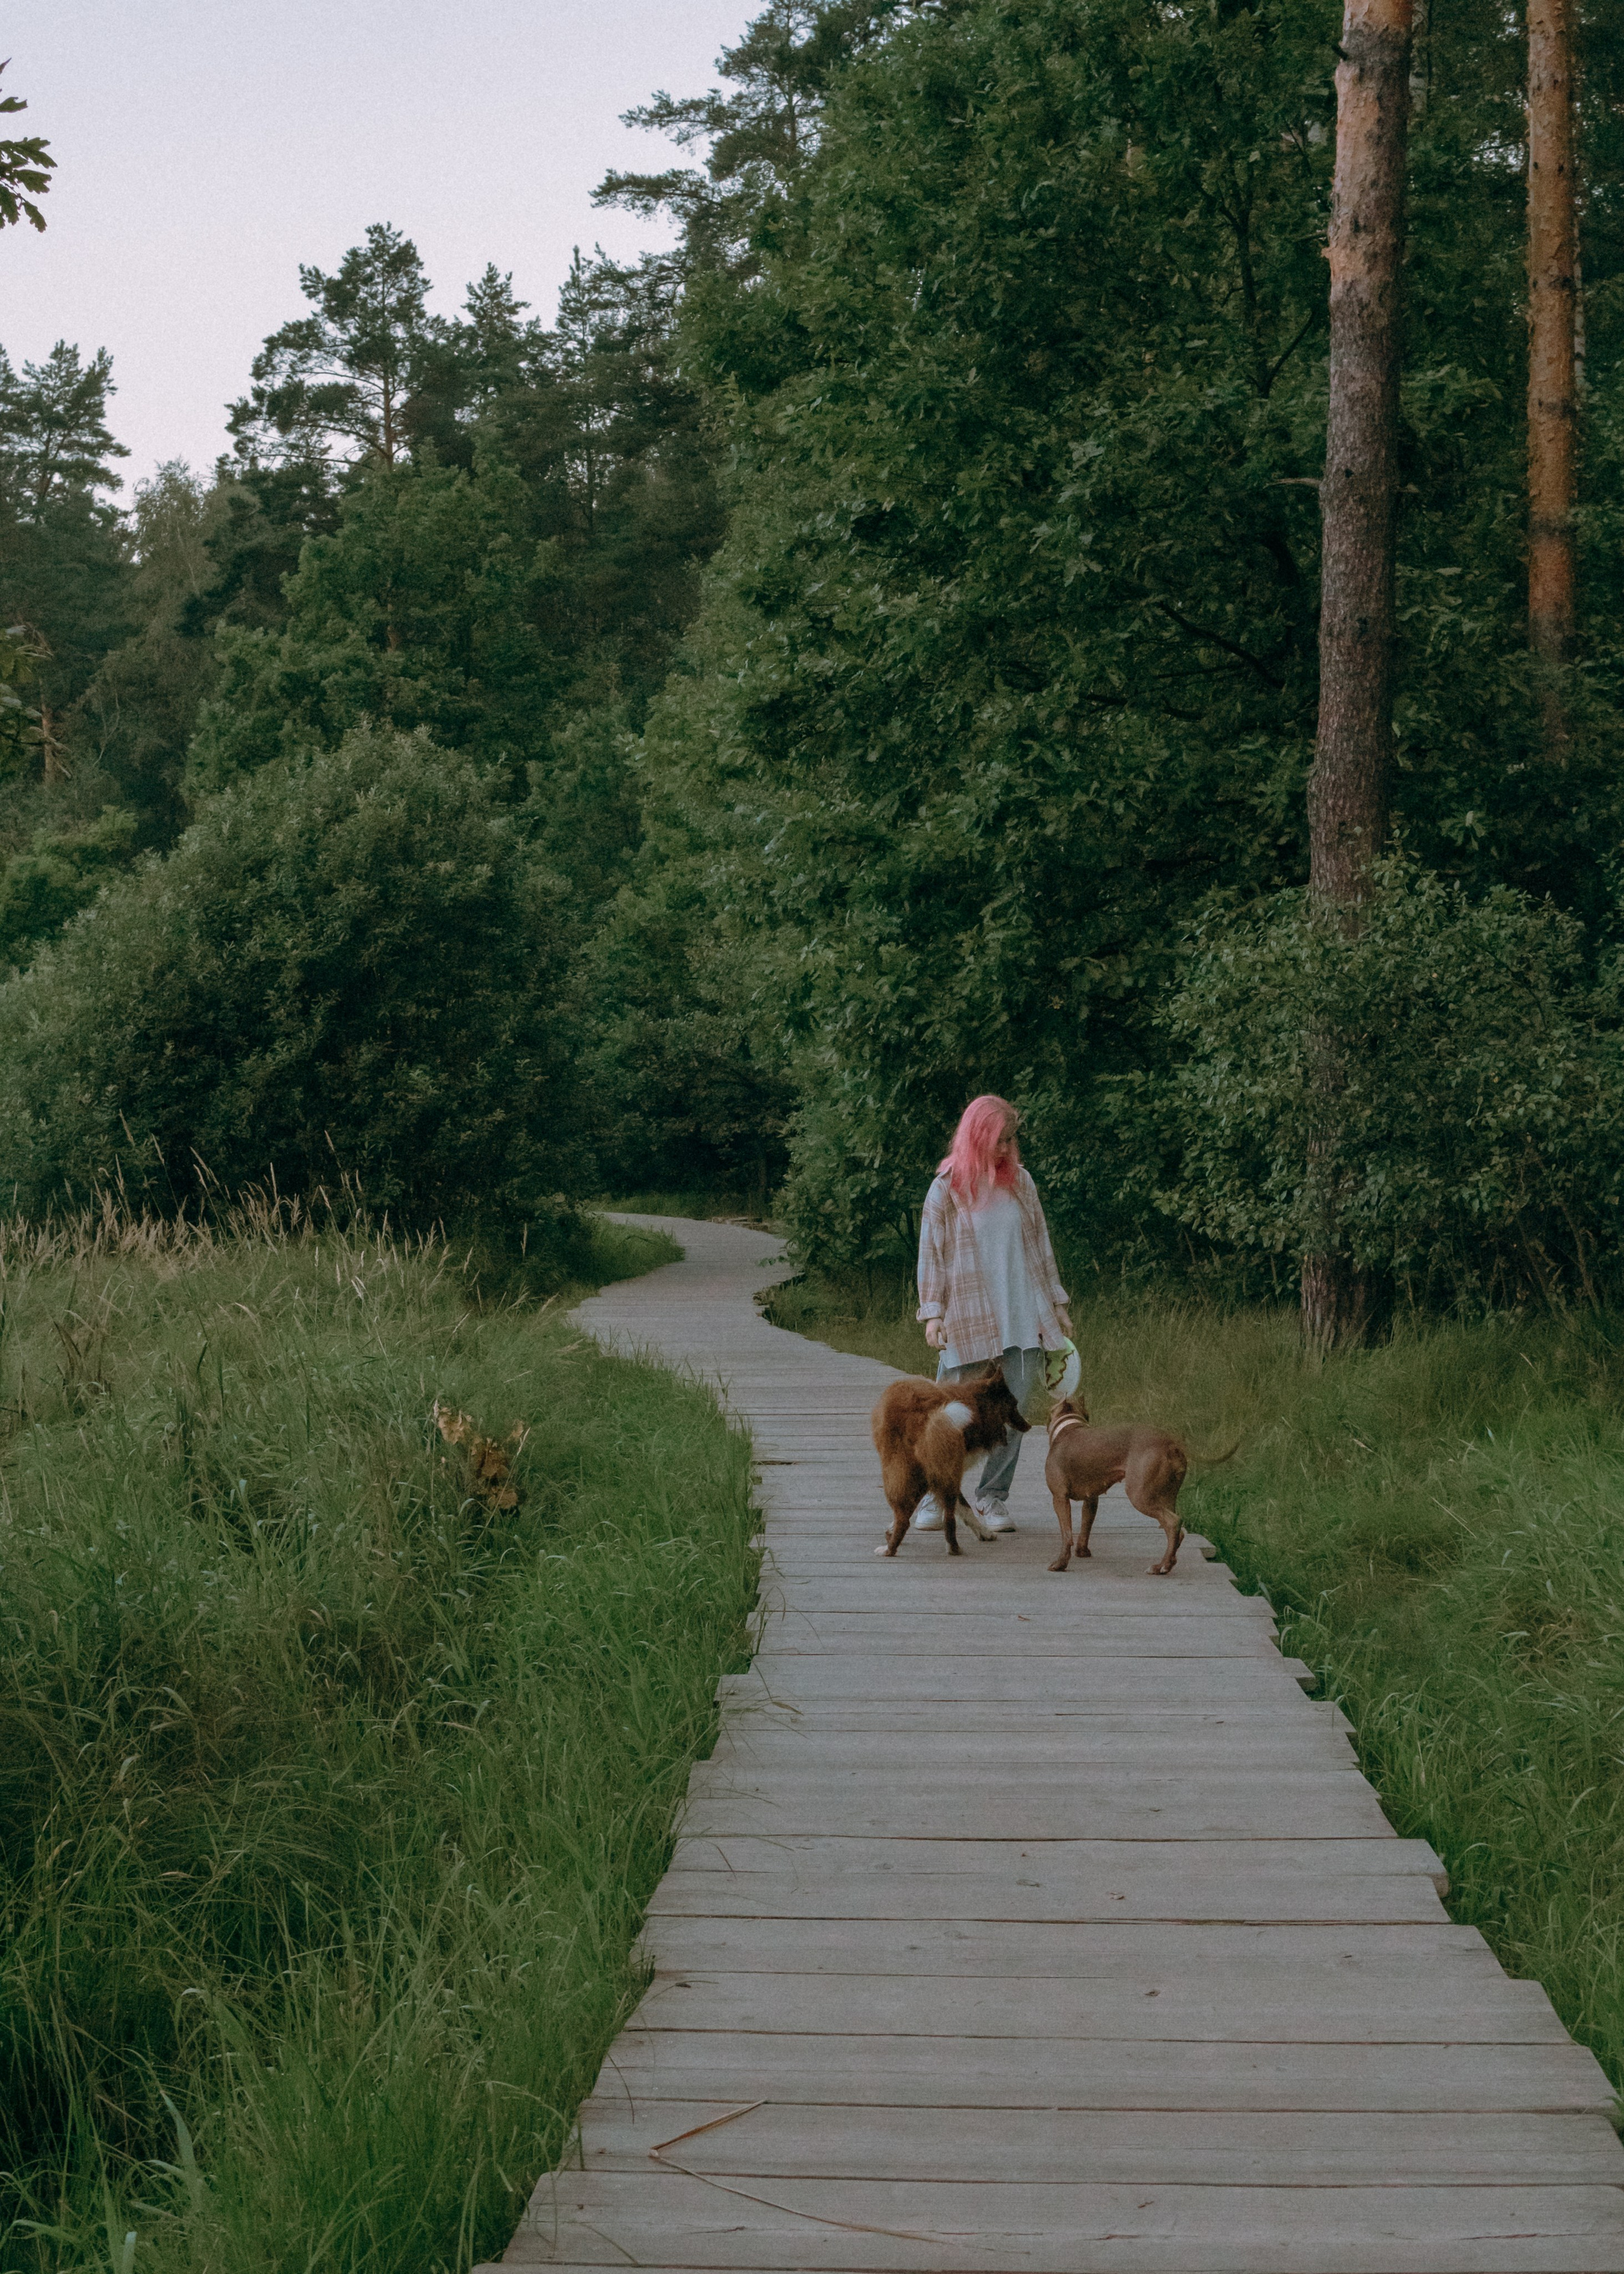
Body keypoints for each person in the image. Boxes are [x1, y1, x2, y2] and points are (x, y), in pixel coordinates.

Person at [913, 1094, 1072, 1533]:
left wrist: (1056, 1305)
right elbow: (932, 1255)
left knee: (1012, 1415)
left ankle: (991, 1499)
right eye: (999, 1140)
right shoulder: (945, 1189)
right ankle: (933, 1496)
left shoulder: (1020, 1184)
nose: (1007, 1148)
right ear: (978, 1136)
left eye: (1011, 1139)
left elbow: (1041, 1247)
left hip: (1023, 1318)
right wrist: (933, 1314)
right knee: (950, 1413)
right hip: (966, 1319)